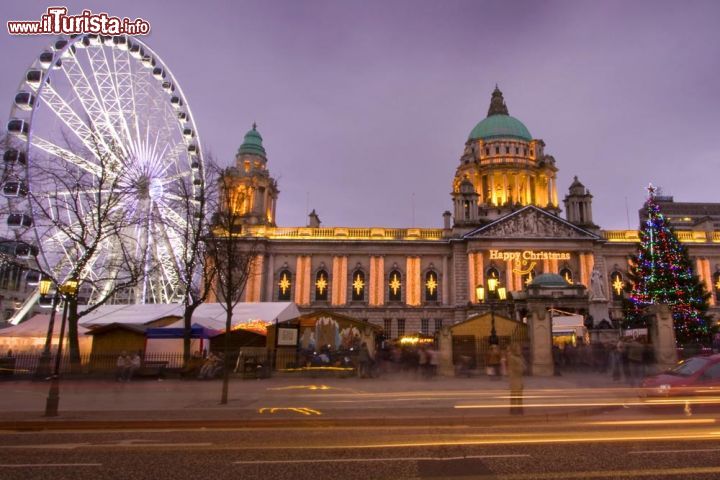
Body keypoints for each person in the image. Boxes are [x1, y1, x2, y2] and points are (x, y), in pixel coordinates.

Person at [508, 343, 526, 415]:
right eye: (518, 349)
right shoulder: (512, 357)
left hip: (519, 378)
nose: (520, 350)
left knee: (519, 394)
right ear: (515, 349)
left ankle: (519, 408)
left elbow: (524, 366)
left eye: (520, 349)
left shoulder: (519, 357)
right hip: (514, 378)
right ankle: (514, 409)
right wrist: (522, 368)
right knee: (514, 395)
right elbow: (516, 369)